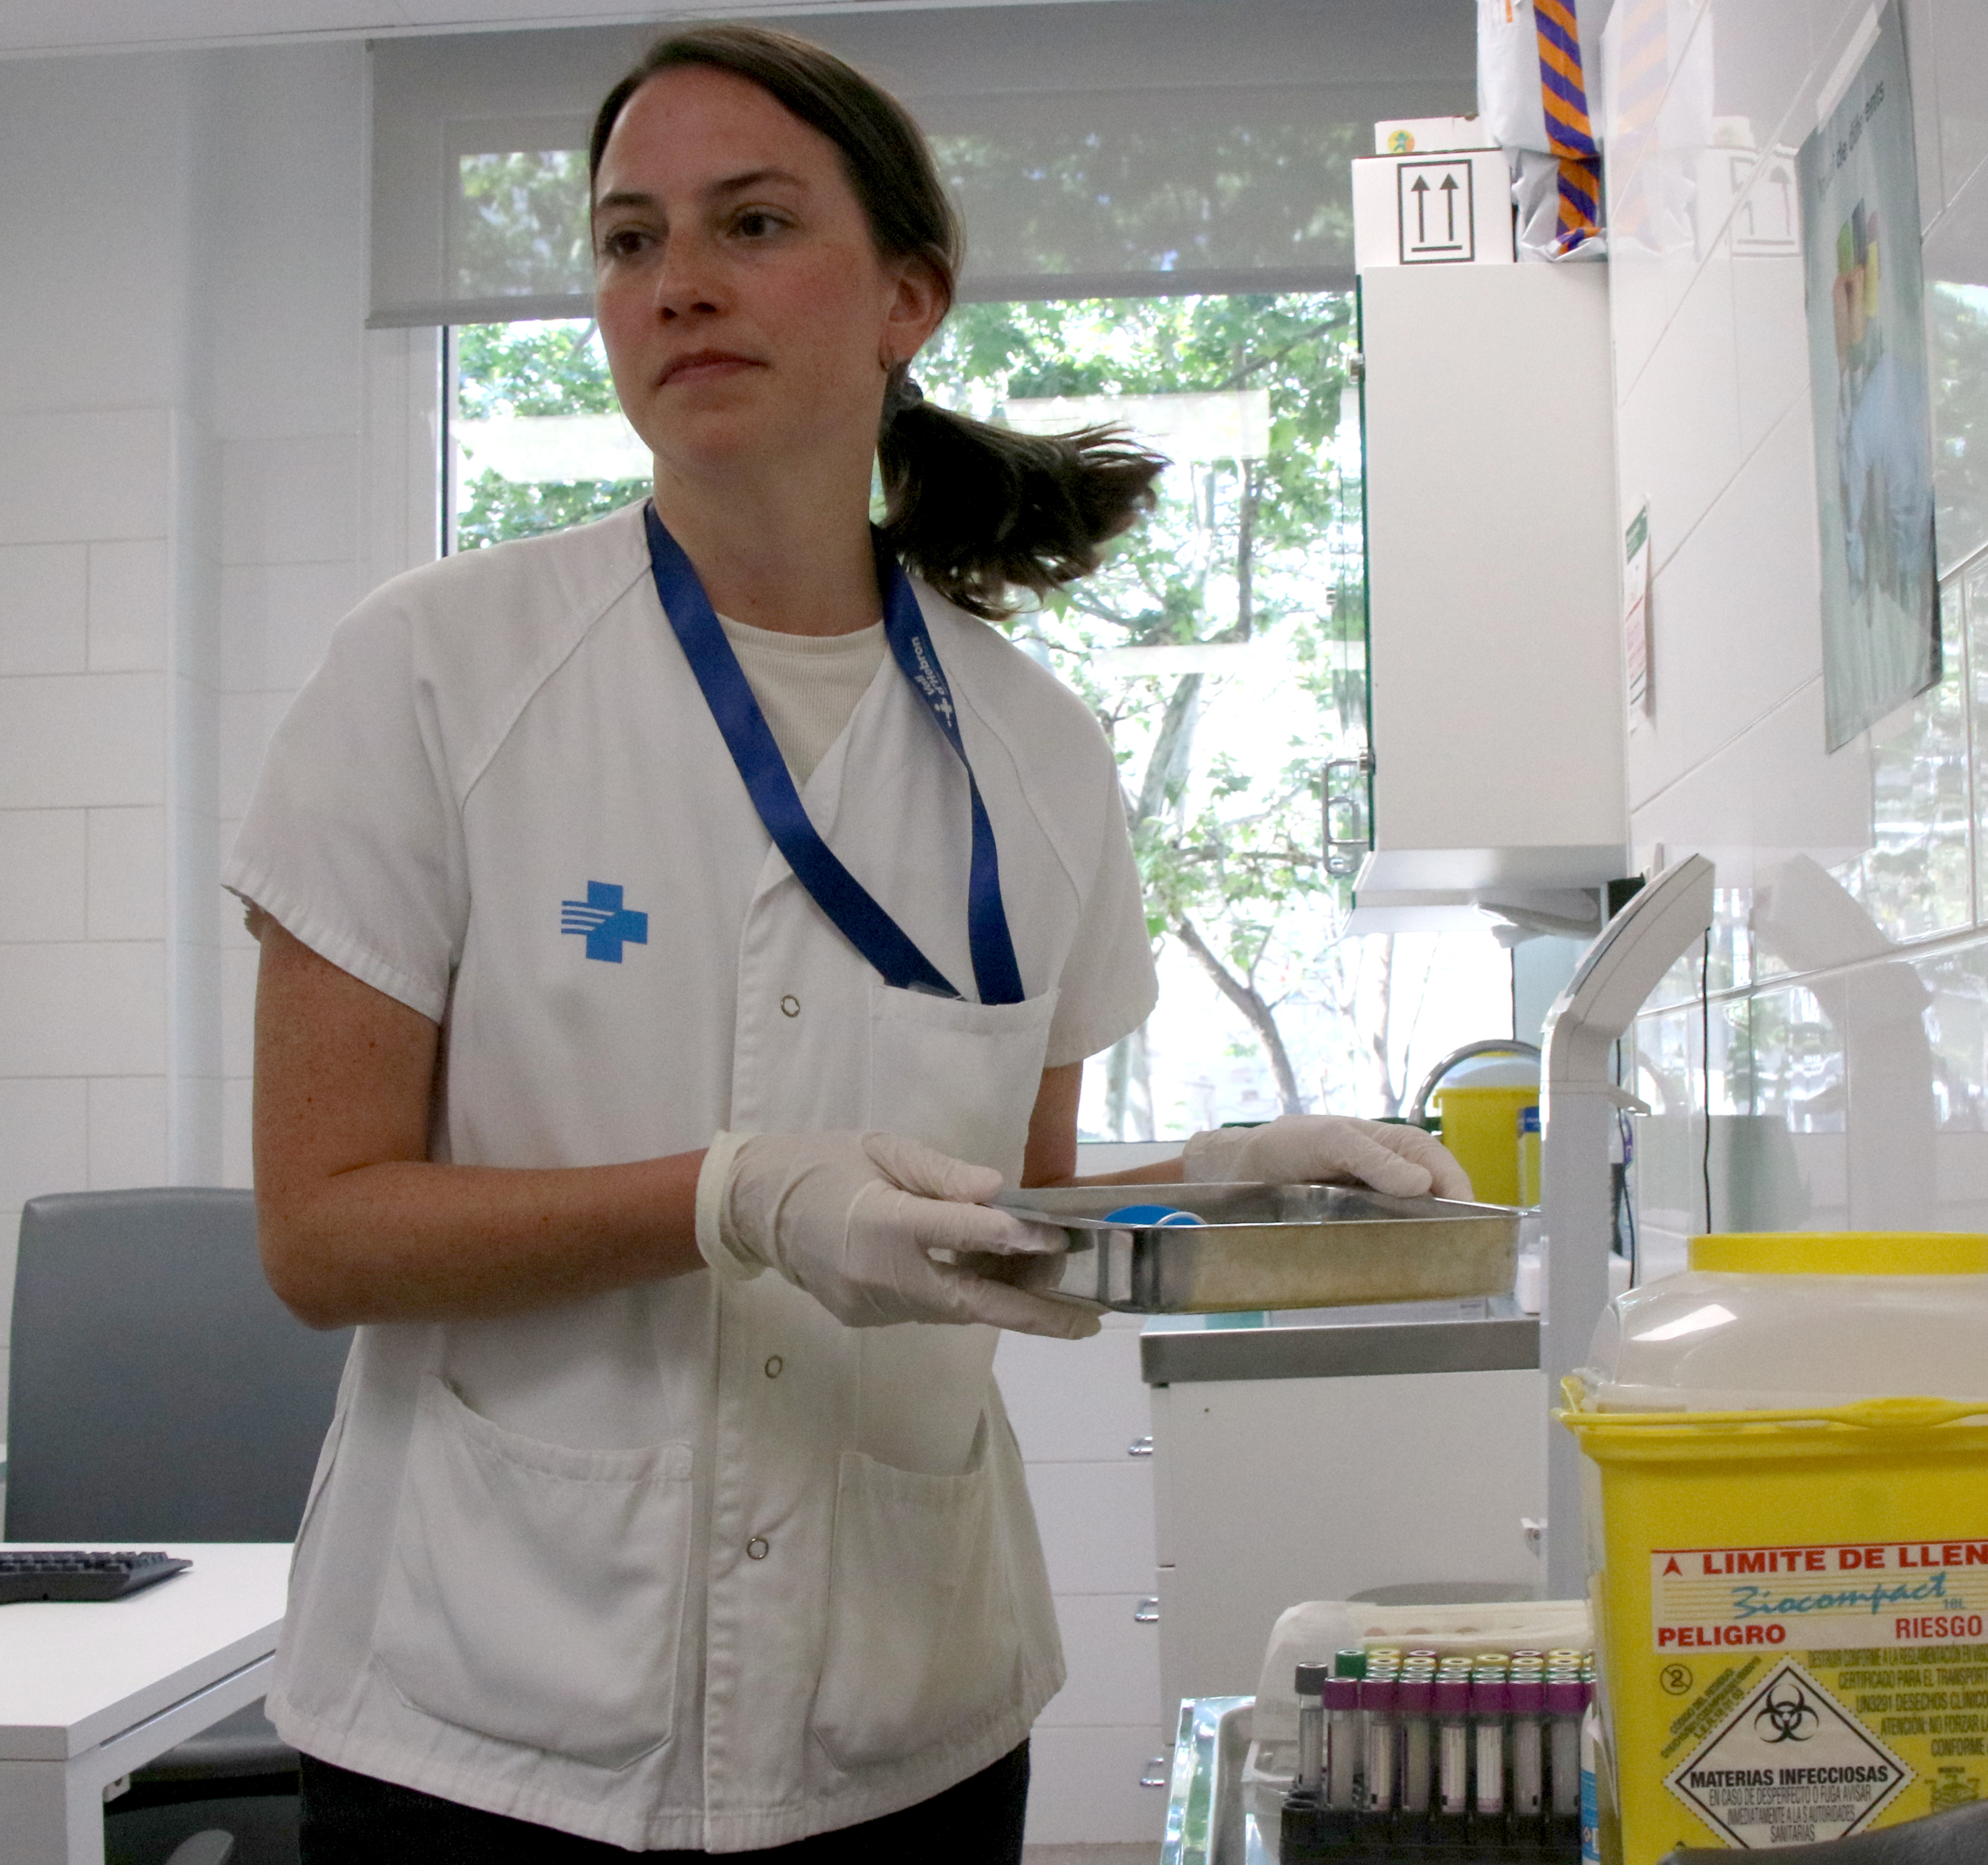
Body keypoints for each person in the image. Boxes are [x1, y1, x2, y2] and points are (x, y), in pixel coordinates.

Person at [230, 23, 1473, 1861]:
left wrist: (1221, 1185)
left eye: (748, 224)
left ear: (909, 297)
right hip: (485, 1723)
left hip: (905, 1723)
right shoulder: (431, 671)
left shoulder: (1037, 750)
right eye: (630, 240)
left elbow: (1015, 1223)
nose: (680, 287)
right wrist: (738, 1193)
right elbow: (323, 1233)